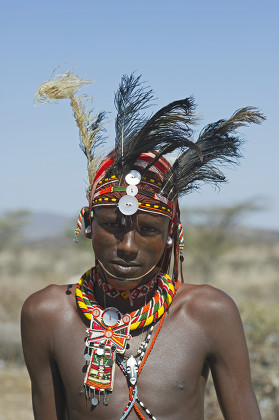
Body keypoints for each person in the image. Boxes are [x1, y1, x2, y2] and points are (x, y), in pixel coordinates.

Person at [21, 70, 265, 419]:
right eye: (111, 226)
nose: (128, 246)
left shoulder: (210, 313)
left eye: (148, 229)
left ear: (172, 235)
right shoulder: (47, 315)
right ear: (87, 224)